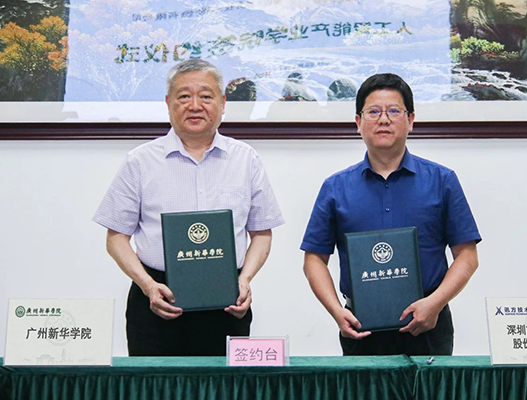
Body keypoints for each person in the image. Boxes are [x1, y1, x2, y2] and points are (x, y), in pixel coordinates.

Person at [93, 59, 284, 356]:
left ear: (222, 103)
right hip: (156, 300)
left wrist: (244, 280)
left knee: (221, 382)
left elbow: (261, 233)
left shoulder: (246, 159)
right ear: (168, 103)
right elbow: (116, 237)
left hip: (226, 299)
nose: (195, 106)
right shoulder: (140, 161)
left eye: (206, 96)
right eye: (184, 96)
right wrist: (147, 286)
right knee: (155, 382)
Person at [300, 73, 481, 356]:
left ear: (411, 120)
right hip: (361, 324)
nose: (383, 120)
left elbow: (467, 256)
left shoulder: (442, 180)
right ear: (358, 122)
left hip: (429, 323)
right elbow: (314, 259)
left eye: (394, 111)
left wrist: (434, 304)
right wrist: (336, 311)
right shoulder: (335, 188)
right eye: (373, 112)